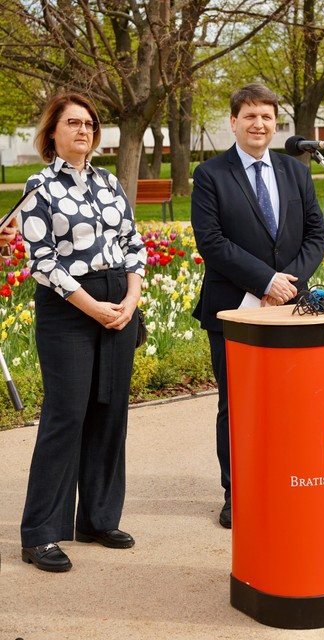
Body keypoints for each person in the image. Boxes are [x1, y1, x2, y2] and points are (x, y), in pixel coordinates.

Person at [18, 92, 147, 572]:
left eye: (90, 123)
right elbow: (42, 261)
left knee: (110, 414)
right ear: (52, 132)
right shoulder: (39, 187)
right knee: (67, 416)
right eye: (73, 123)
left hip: (119, 305)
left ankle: (98, 518)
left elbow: (133, 243)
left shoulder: (108, 182)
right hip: (70, 309)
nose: (84, 130)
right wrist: (93, 307)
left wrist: (131, 300)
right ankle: (40, 534)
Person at [191, 84, 324, 528]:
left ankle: (286, 483)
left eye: (267, 117)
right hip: (234, 308)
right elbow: (211, 242)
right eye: (250, 116)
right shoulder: (210, 174)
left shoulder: (295, 171)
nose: (259, 124)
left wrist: (285, 284)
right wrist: (265, 281)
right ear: (233, 122)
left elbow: (316, 235)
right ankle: (238, 492)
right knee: (237, 405)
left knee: (290, 402)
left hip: (291, 307)